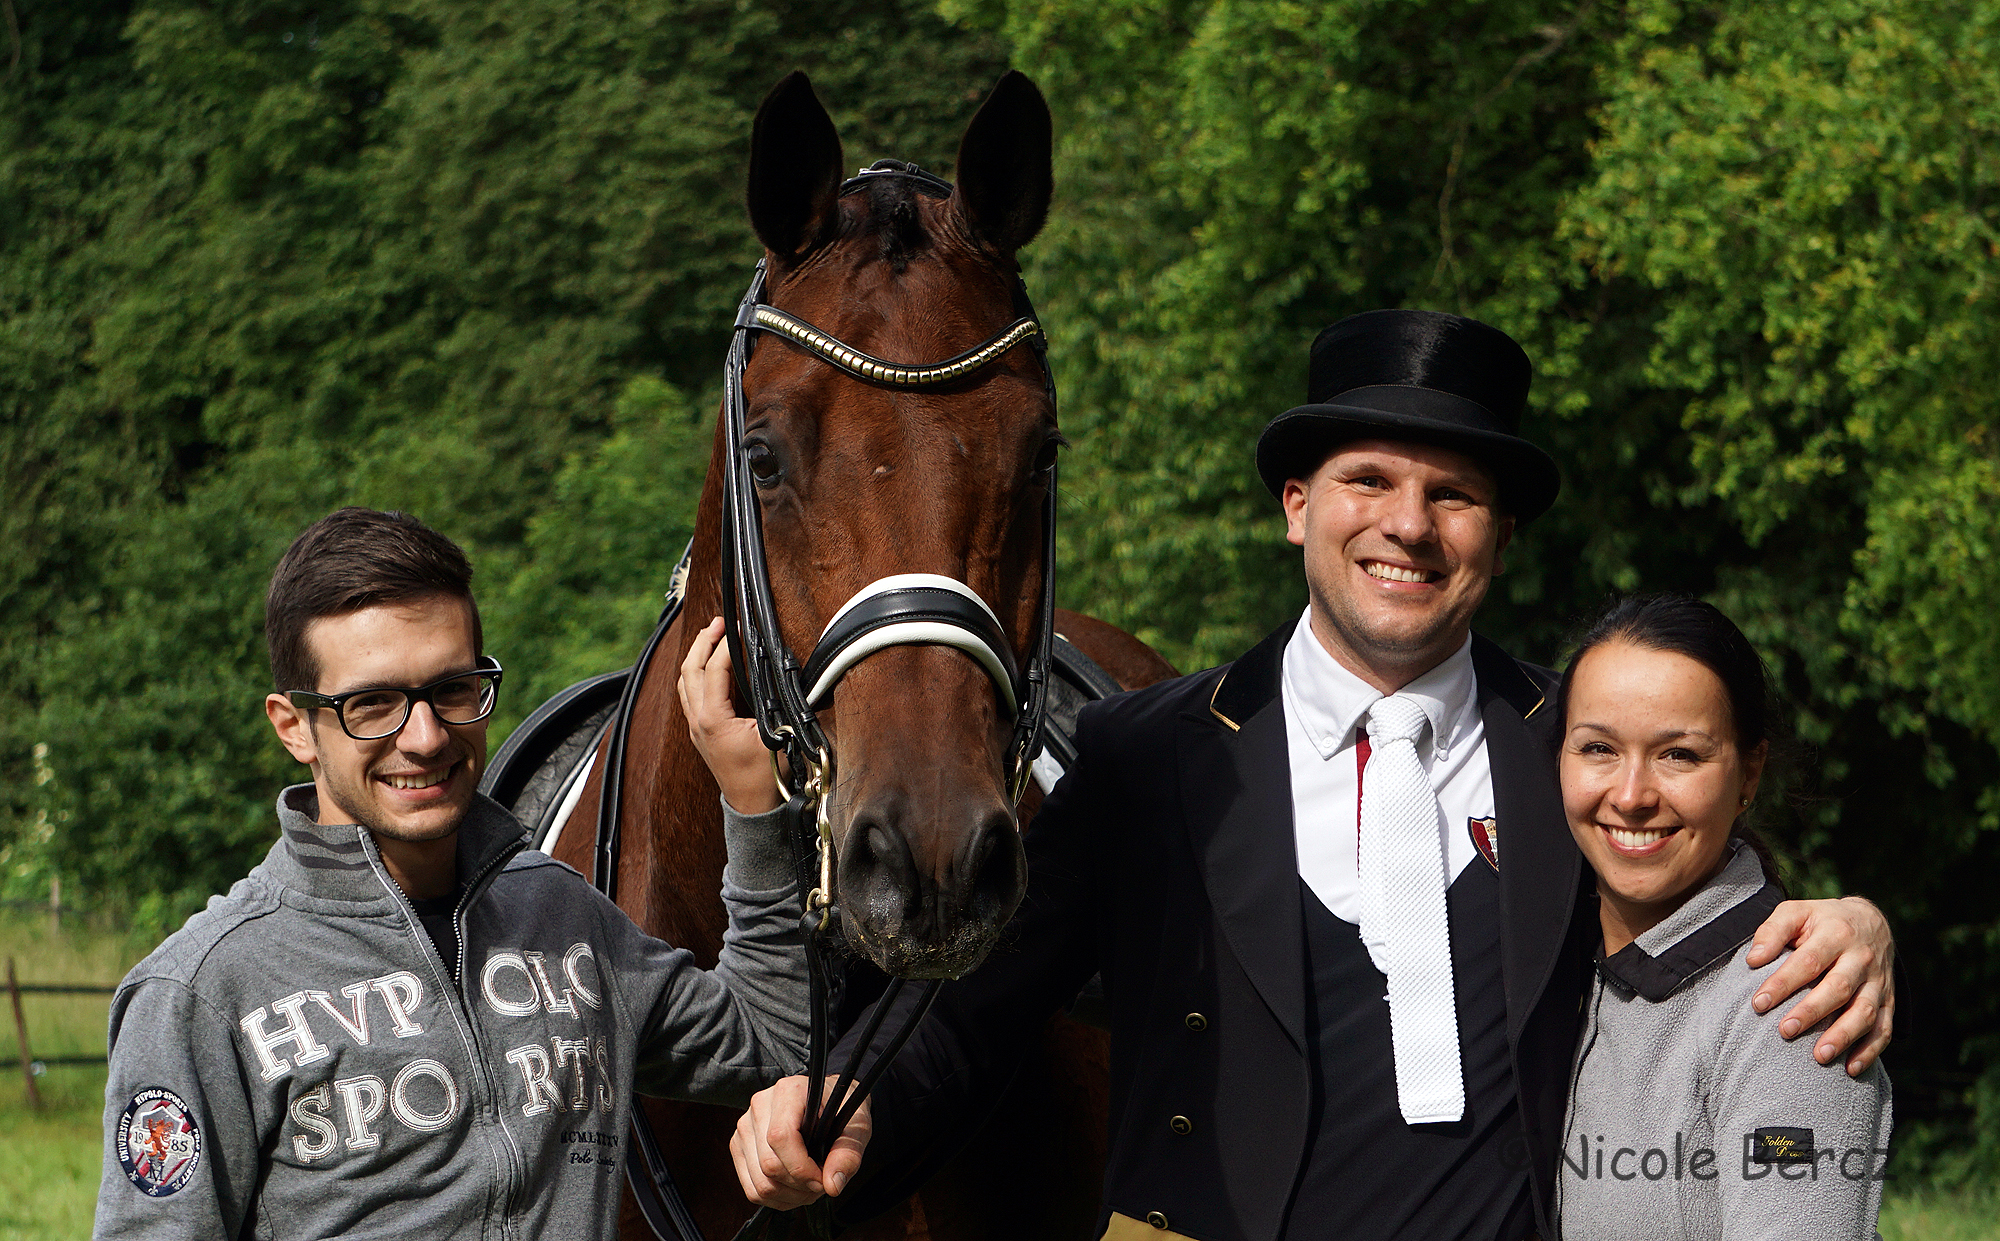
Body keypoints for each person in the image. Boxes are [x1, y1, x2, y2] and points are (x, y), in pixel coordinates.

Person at [715, 310, 1897, 1240]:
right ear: (1296, 507)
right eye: (1369, 480)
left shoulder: (1573, 755)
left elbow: (1699, 931)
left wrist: (1847, 920)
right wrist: (857, 1105)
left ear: (1499, 533)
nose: (1409, 525)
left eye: (1454, 494)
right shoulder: (1150, 754)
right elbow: (973, 1017)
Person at [93, 507, 810, 1241]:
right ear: (293, 725)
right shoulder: (199, 991)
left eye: (453, 690)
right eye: (373, 703)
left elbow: (771, 1040)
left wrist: (753, 806)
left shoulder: (564, 917)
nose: (426, 736)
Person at [1554, 595, 1890, 1239]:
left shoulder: (1787, 1008)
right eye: (1598, 747)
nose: (1630, 796)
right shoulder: (1553, 955)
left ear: (1749, 774)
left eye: (1679, 754)